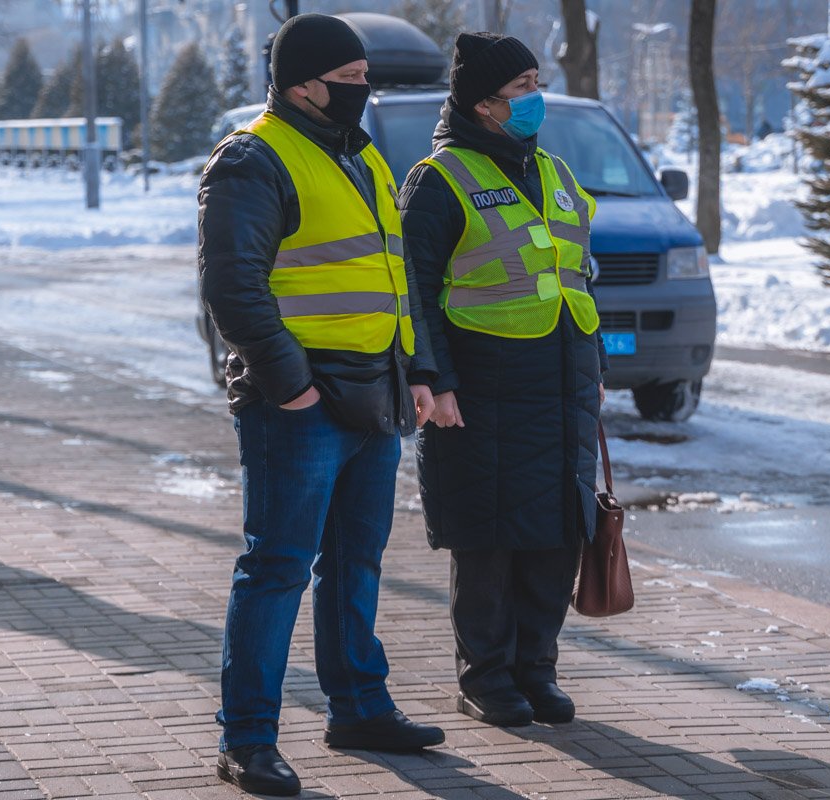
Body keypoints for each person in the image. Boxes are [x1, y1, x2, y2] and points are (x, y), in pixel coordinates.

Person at [198, 13, 444, 797]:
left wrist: (412, 368)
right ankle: (247, 741)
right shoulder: (252, 158)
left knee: (354, 563)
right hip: (299, 403)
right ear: (302, 84)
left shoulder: (359, 156)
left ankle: (360, 708)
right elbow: (232, 287)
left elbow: (391, 277)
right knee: (276, 569)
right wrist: (291, 386)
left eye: (365, 79)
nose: (362, 91)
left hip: (372, 394)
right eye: (350, 81)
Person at [399, 32, 608, 728]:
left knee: (554, 535)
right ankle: (486, 678)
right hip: (482, 385)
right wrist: (433, 377)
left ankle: (535, 670)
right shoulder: (440, 178)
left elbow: (574, 274)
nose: (534, 98)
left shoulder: (552, 170)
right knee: (487, 537)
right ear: (483, 104)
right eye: (520, 88)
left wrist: (593, 368)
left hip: (559, 381)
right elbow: (415, 293)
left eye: (534, 82)